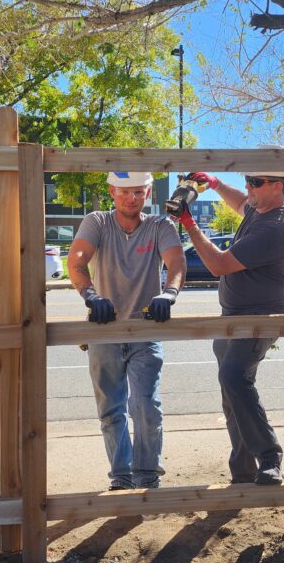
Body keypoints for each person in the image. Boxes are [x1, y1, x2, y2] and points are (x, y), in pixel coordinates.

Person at [174, 160, 284, 485]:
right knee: (231, 394)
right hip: (231, 316)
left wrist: (189, 223)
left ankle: (270, 457)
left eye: (255, 181)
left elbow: (218, 265)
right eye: (247, 180)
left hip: (259, 317)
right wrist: (213, 182)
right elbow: (240, 203)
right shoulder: (259, 211)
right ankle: (243, 470)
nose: (248, 187)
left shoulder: (275, 228)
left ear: (278, 185)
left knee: (235, 378)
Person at [67, 171, 187, 491]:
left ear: (148, 192)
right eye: (124, 192)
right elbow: (77, 261)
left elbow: (175, 264)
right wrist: (90, 296)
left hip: (145, 330)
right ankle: (121, 475)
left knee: (145, 405)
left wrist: (168, 294)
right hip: (105, 331)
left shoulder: (159, 225)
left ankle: (146, 475)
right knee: (111, 409)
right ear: (112, 191)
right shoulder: (97, 222)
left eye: (138, 191)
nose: (131, 198)